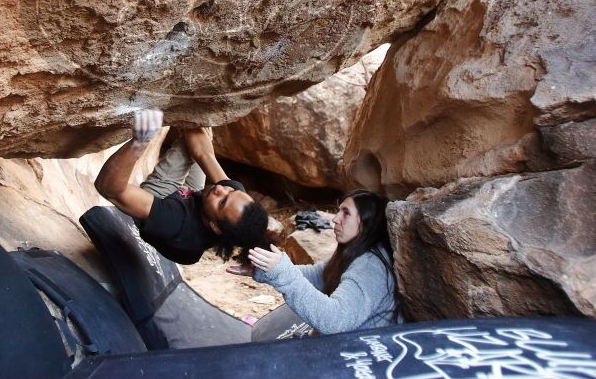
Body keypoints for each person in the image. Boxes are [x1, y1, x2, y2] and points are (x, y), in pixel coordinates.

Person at [94, 109, 269, 265]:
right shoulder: (235, 200)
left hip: (165, 203)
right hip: (196, 204)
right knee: (202, 129)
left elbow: (110, 188)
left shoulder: (175, 223)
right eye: (231, 191)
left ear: (215, 227)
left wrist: (139, 142)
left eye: (222, 202)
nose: (220, 189)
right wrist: (185, 107)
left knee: (156, 151)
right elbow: (204, 153)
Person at [229, 190, 400, 335]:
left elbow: (334, 321)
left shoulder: (370, 267)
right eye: (339, 210)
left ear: (367, 223)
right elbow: (319, 276)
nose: (335, 219)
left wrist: (282, 272)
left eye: (346, 213)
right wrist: (266, 270)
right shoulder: (356, 252)